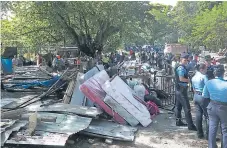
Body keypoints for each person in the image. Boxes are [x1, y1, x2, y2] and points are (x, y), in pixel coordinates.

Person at [202, 65, 227, 148]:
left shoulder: (209, 82)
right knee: (225, 130)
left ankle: (211, 146)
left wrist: (205, 110)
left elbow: (205, 97)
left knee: (212, 128)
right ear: (223, 73)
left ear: (215, 73)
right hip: (224, 108)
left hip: (212, 106)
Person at [174, 53, 197, 131]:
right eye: (185, 60)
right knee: (187, 108)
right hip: (181, 90)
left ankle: (178, 121)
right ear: (181, 60)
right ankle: (190, 125)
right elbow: (181, 79)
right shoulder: (181, 68)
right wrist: (190, 80)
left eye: (187, 60)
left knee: (178, 107)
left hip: (178, 89)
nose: (186, 61)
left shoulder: (179, 66)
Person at [191, 63, 209, 139]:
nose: (206, 70)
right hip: (203, 96)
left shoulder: (194, 77)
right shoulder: (204, 77)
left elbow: (193, 88)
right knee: (208, 117)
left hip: (196, 96)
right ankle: (209, 135)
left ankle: (199, 134)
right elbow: (208, 86)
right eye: (206, 69)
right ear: (201, 69)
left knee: (198, 116)